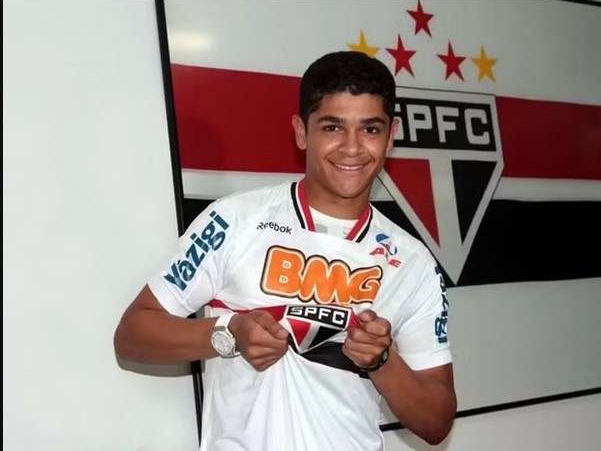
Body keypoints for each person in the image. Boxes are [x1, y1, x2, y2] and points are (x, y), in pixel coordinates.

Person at [114, 50, 457, 451]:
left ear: (391, 135)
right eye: (332, 127)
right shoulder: (234, 221)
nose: (352, 148)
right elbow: (132, 334)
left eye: (370, 129)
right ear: (301, 132)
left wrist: (382, 361)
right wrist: (228, 333)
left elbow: (436, 422)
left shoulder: (412, 261)